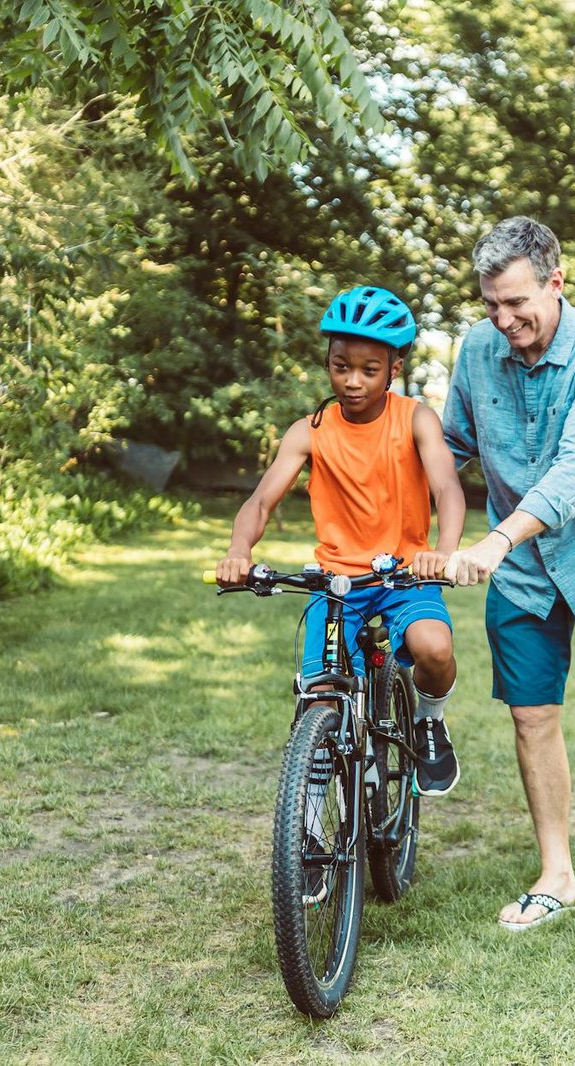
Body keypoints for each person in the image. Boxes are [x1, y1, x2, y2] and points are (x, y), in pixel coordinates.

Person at [442, 217, 575, 941]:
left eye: (516, 303)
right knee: (532, 714)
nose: (503, 321)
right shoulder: (478, 350)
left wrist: (496, 539)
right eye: (490, 305)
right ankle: (557, 874)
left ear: (555, 283)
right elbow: (449, 445)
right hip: (523, 567)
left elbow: (574, 471)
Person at [218, 285, 465, 796]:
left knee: (434, 647)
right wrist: (239, 551)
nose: (353, 381)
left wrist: (443, 552)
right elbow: (260, 502)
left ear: (394, 368)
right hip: (336, 584)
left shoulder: (415, 418)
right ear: (328, 363)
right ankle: (306, 816)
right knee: (321, 697)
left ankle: (429, 719)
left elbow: (447, 488)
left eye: (369, 370)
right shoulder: (310, 430)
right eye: (340, 366)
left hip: (404, 576)